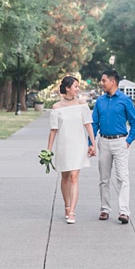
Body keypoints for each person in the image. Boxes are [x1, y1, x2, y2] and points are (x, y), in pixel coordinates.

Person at [46, 76, 96, 224]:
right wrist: (48, 150)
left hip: (79, 145)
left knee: (74, 176)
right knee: (65, 177)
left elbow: (88, 124)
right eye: (75, 86)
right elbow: (53, 130)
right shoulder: (57, 108)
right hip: (63, 146)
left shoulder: (82, 104)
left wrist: (93, 143)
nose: (78, 89)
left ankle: (72, 211)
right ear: (67, 88)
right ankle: (67, 206)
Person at [91, 68, 135, 224]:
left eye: (104, 80)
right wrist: (90, 143)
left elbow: (134, 123)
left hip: (120, 142)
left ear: (113, 82)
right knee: (104, 179)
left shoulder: (125, 100)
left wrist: (128, 141)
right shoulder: (100, 101)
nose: (102, 83)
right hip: (103, 142)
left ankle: (124, 211)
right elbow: (94, 124)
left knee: (122, 178)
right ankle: (105, 209)